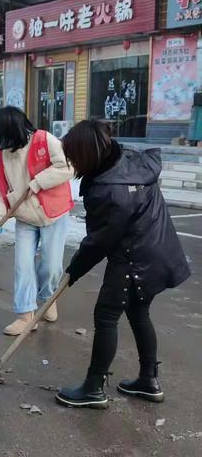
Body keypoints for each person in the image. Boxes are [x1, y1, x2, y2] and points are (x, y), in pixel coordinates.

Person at [56, 120, 191, 409]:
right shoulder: (129, 159)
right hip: (158, 248)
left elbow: (99, 242)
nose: (72, 162)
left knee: (106, 315)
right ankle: (148, 380)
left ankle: (93, 388)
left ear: (87, 154)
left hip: (134, 256)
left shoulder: (110, 191)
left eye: (74, 156)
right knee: (138, 311)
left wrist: (72, 272)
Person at [0, 106, 74, 335]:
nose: (1, 140)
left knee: (51, 266)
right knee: (23, 265)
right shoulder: (0, 155)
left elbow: (67, 167)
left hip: (53, 212)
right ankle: (25, 314)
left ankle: (47, 298)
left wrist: (38, 182)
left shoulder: (45, 140)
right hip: (24, 216)